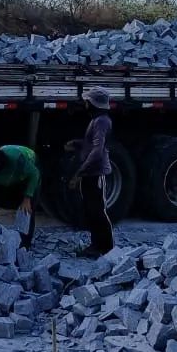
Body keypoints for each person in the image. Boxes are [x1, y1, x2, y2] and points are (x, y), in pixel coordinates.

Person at [68, 87, 114, 258]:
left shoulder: (101, 121)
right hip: (91, 173)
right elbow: (92, 145)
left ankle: (107, 248)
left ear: (93, 103)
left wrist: (78, 174)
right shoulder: (97, 120)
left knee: (98, 211)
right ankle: (96, 245)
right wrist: (78, 143)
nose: (85, 103)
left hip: (95, 174)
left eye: (87, 101)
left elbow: (97, 150)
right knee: (91, 210)